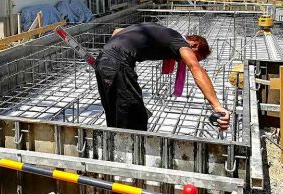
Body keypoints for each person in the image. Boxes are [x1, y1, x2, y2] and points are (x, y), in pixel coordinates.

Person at [95, 22, 230, 131]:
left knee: (115, 113)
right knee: (134, 118)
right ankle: (130, 159)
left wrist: (112, 59)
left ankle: (115, 153)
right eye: (197, 57)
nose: (183, 61)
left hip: (102, 60)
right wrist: (217, 106)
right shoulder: (179, 42)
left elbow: (117, 31)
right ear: (194, 45)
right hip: (117, 64)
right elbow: (195, 67)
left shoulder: (163, 30)